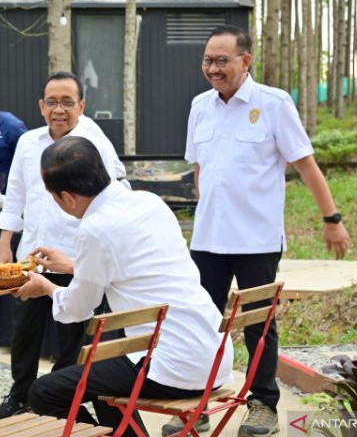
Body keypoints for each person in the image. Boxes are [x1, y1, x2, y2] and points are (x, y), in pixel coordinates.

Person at [181, 25, 350, 437]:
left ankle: (262, 404)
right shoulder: (200, 105)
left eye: (222, 60)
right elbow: (199, 166)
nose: (213, 68)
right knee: (201, 322)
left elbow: (305, 164)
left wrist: (332, 219)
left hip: (256, 238)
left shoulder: (273, 104)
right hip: (207, 240)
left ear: (245, 61)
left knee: (259, 323)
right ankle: (196, 403)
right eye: (208, 60)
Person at [15, 136, 233, 437]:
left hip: (173, 367)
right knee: (106, 368)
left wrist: (46, 287)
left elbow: (78, 308)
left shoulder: (94, 229)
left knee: (43, 392)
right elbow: (139, 270)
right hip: (215, 356)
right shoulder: (148, 201)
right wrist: (72, 266)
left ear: (67, 198)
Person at [0, 71, 122, 421]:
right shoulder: (28, 142)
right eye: (52, 102)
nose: (59, 109)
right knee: (24, 331)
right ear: (41, 106)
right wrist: (5, 244)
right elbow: (15, 194)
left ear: (82, 105)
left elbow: (112, 194)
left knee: (72, 334)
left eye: (67, 102)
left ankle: (62, 395)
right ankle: (20, 394)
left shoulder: (94, 141)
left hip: (76, 257)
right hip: (32, 256)